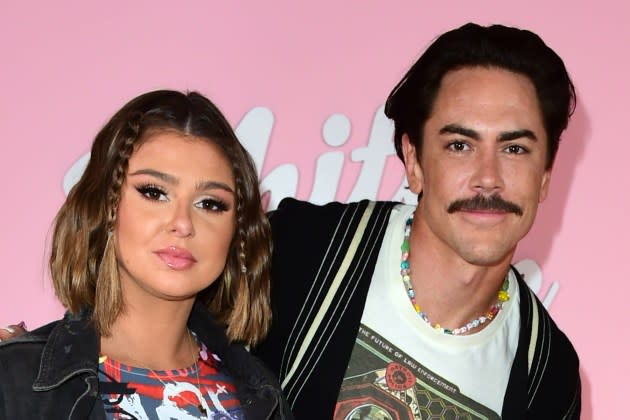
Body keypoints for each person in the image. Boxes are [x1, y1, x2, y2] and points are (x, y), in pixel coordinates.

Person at [252, 23, 580, 419]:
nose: (489, 177)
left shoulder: (547, 375)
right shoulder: (299, 251)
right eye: (460, 146)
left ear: (545, 176)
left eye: (514, 148)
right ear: (414, 161)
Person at [0, 90, 292, 419]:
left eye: (210, 203)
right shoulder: (17, 381)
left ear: (237, 230)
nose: (182, 224)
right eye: (154, 192)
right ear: (107, 207)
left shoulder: (262, 397)